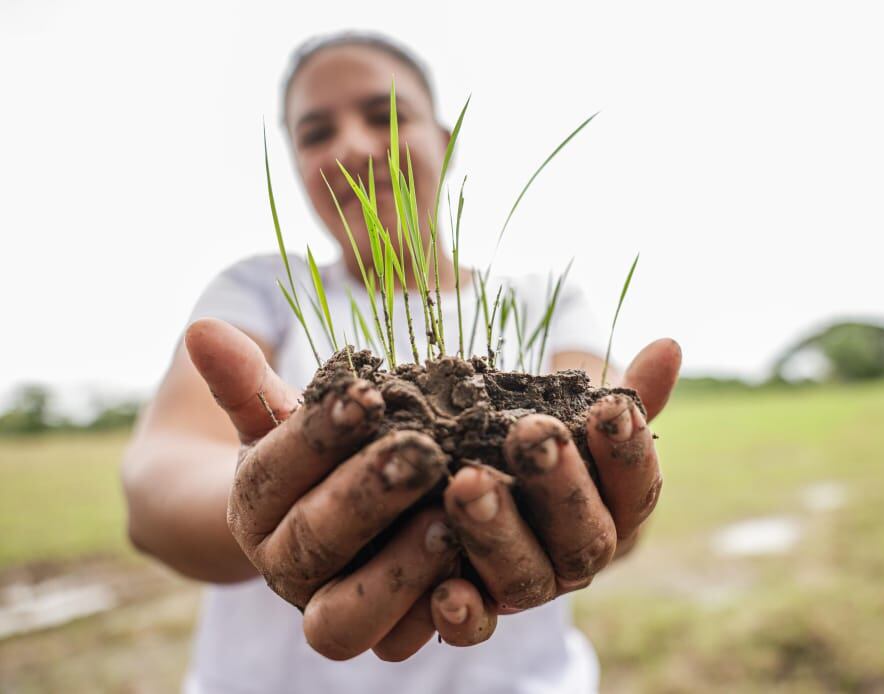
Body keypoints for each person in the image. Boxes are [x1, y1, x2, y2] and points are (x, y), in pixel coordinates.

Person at [121, 31, 681, 694]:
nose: (353, 146)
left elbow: (605, 484)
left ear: (444, 140)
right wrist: (265, 496)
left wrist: (604, 487)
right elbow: (158, 482)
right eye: (316, 133)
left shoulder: (542, 301)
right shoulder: (266, 292)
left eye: (386, 115)